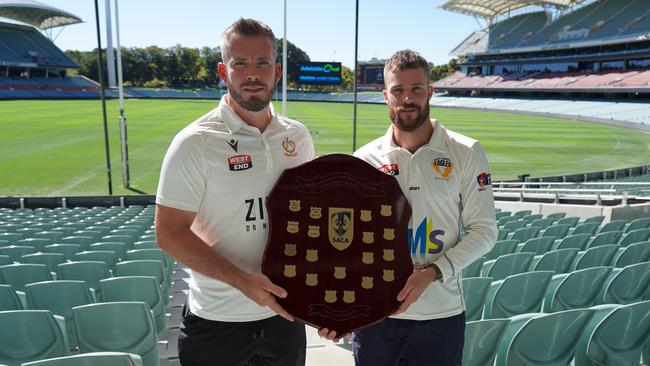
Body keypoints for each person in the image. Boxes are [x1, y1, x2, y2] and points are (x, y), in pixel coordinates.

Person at [321, 50, 497, 365]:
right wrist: (336, 304)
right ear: (385, 95)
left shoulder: (467, 151)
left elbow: (485, 232)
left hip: (440, 316)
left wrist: (432, 272)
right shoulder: (364, 159)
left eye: (416, 89)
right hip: (375, 315)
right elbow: (349, 242)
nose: (407, 98)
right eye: (398, 90)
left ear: (430, 92)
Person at [155, 18, 314, 366]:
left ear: (277, 70)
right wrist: (242, 281)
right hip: (216, 321)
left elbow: (309, 219)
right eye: (240, 63)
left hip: (285, 316)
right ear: (224, 72)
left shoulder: (298, 137)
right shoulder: (194, 142)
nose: (252, 74)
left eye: (262, 63)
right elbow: (168, 233)